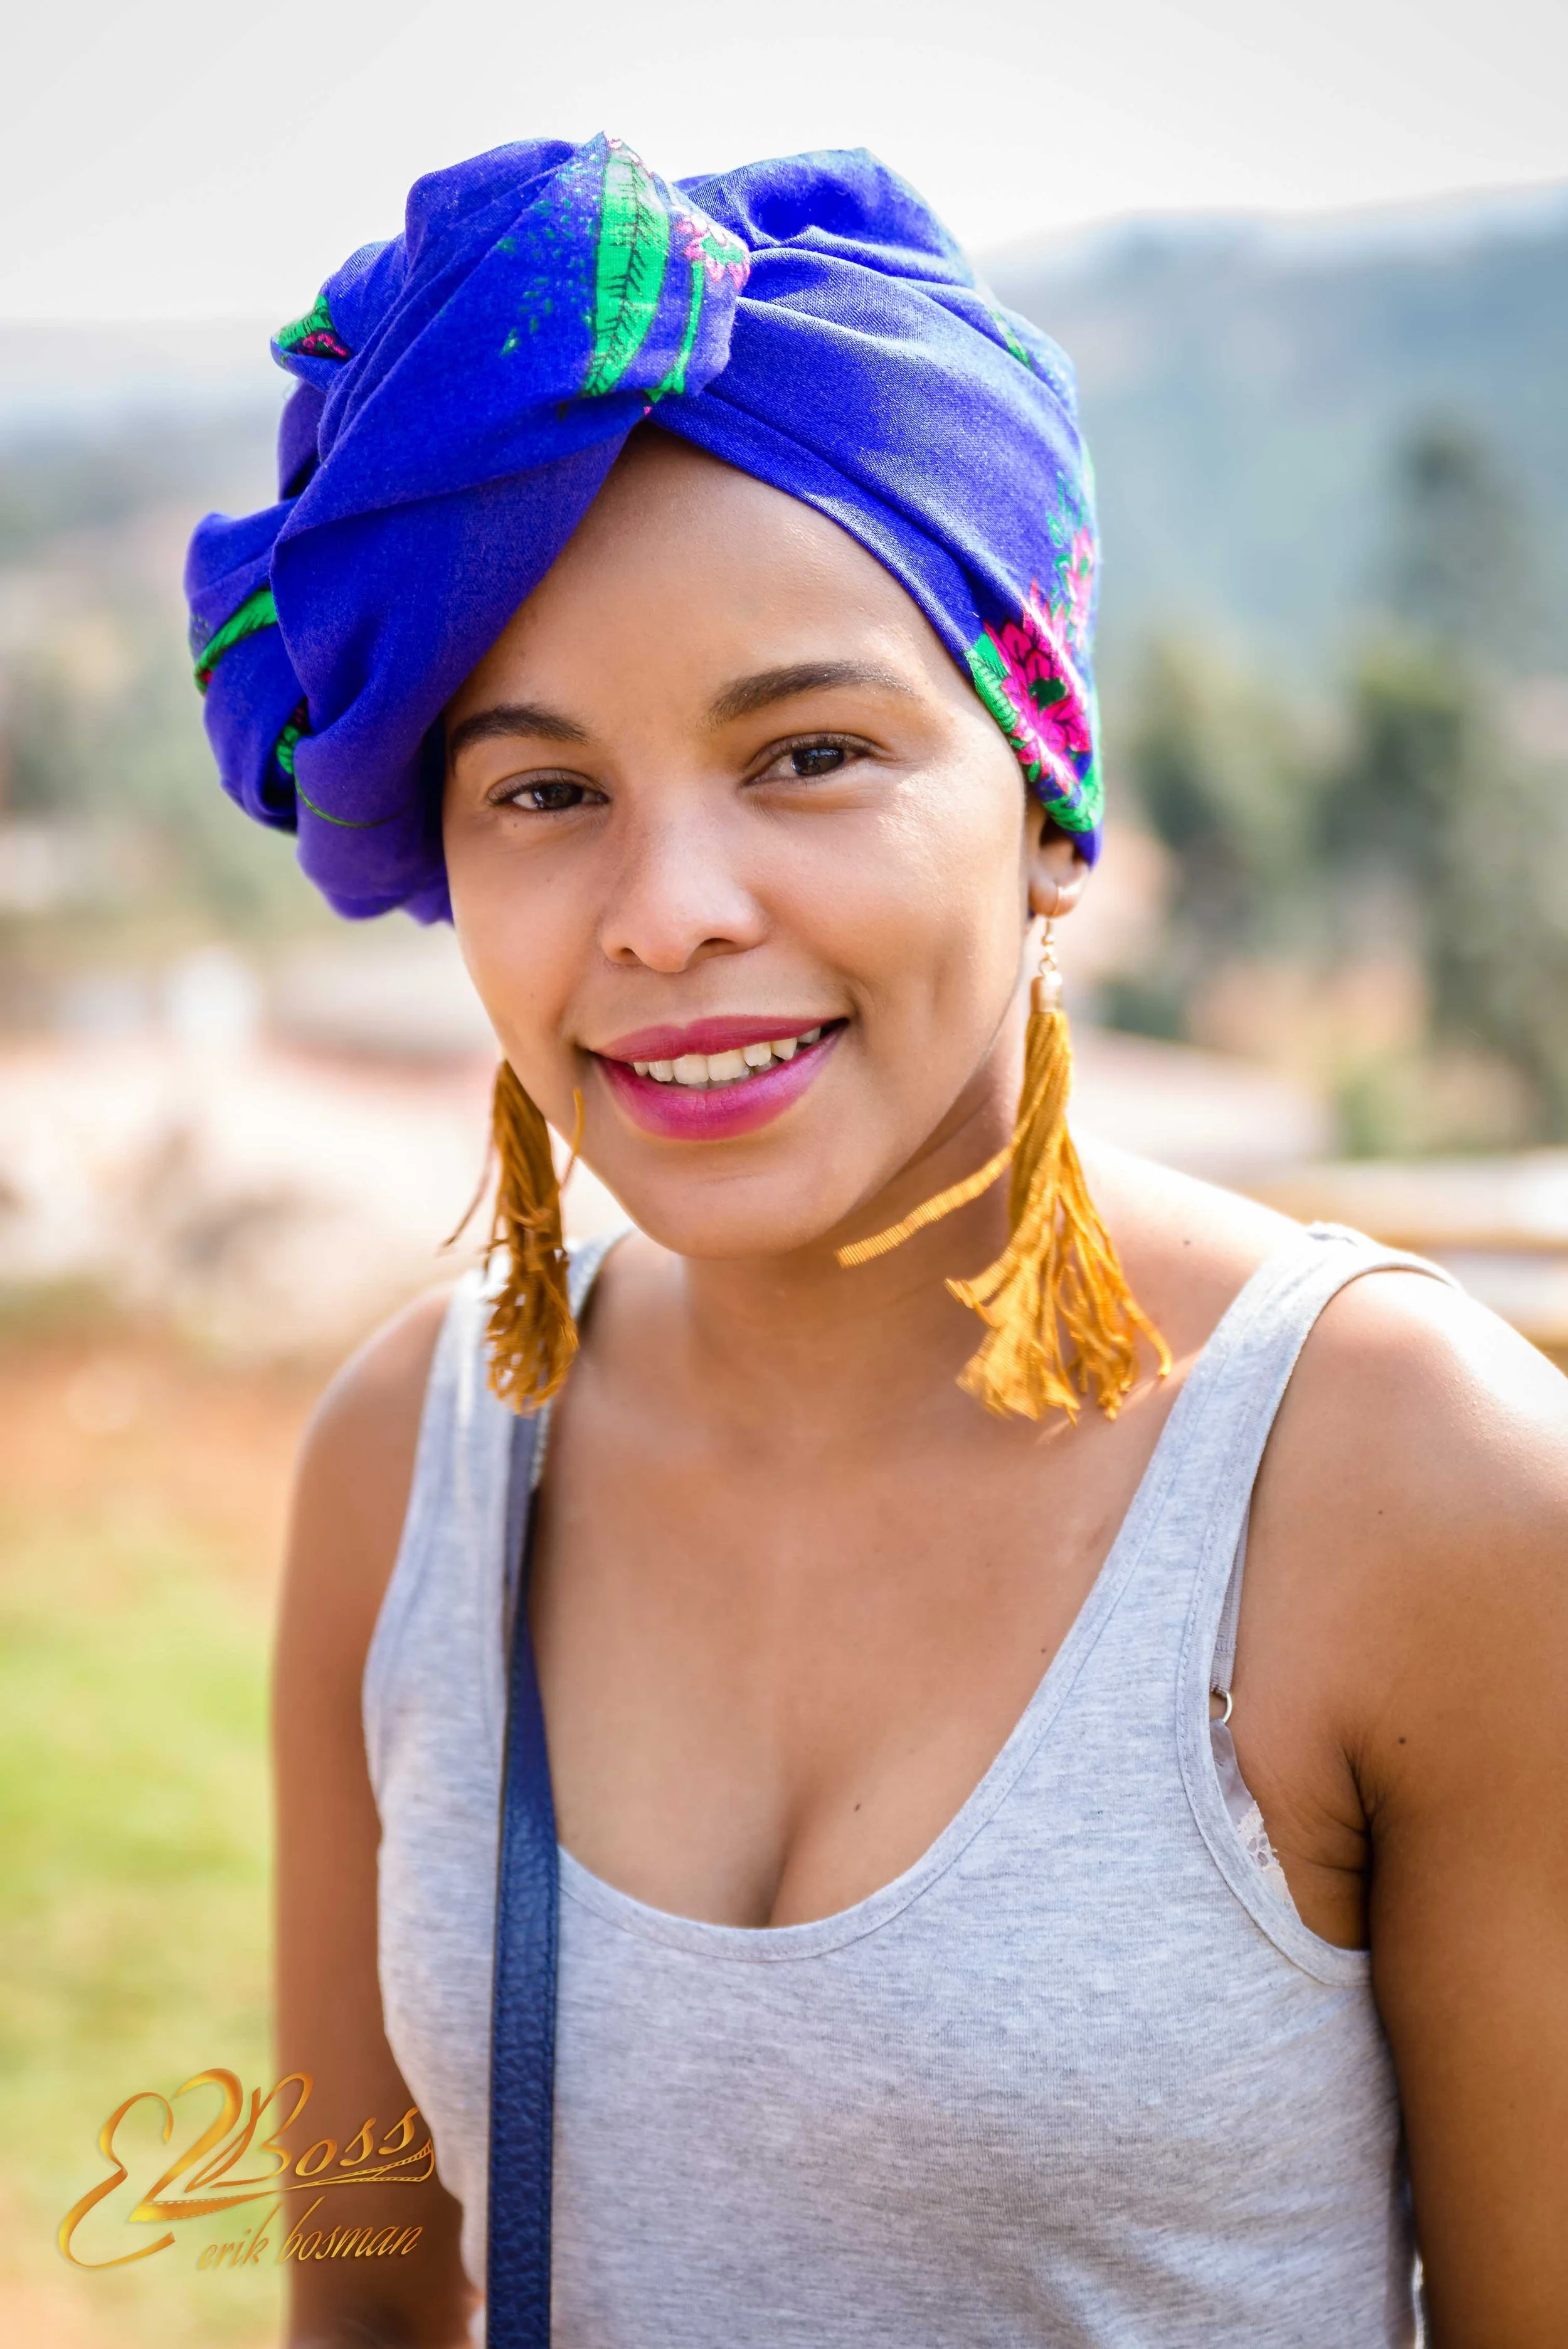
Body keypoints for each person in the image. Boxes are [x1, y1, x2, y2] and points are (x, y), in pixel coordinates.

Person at [188, 138, 1568, 2348]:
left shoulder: (1417, 1496)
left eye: (811, 751)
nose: (668, 910)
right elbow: (358, 2306)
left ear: (1041, 801)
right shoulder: (408, 1473)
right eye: (541, 792)